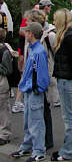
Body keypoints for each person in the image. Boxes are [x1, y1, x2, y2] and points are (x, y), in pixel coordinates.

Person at [10, 22, 50, 162]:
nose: (24, 34)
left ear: (31, 34)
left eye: (26, 32)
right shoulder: (34, 50)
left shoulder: (38, 51)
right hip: (28, 90)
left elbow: (42, 73)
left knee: (36, 122)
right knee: (28, 120)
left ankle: (39, 150)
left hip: (34, 91)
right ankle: (27, 146)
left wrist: (39, 88)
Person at [51, 9, 72, 161]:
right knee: (68, 116)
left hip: (66, 79)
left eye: (55, 19)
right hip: (64, 78)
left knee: (69, 117)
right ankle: (67, 148)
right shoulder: (66, 35)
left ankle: (69, 151)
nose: (53, 21)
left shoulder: (69, 37)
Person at [39, 0, 60, 108]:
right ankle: (55, 99)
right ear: (46, 7)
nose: (50, 9)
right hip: (46, 53)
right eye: (50, 6)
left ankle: (49, 98)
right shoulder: (44, 23)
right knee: (51, 76)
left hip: (43, 52)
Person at [0, 28, 12, 146]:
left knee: (3, 108)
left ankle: (5, 134)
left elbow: (8, 69)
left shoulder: (4, 51)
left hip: (2, 81)